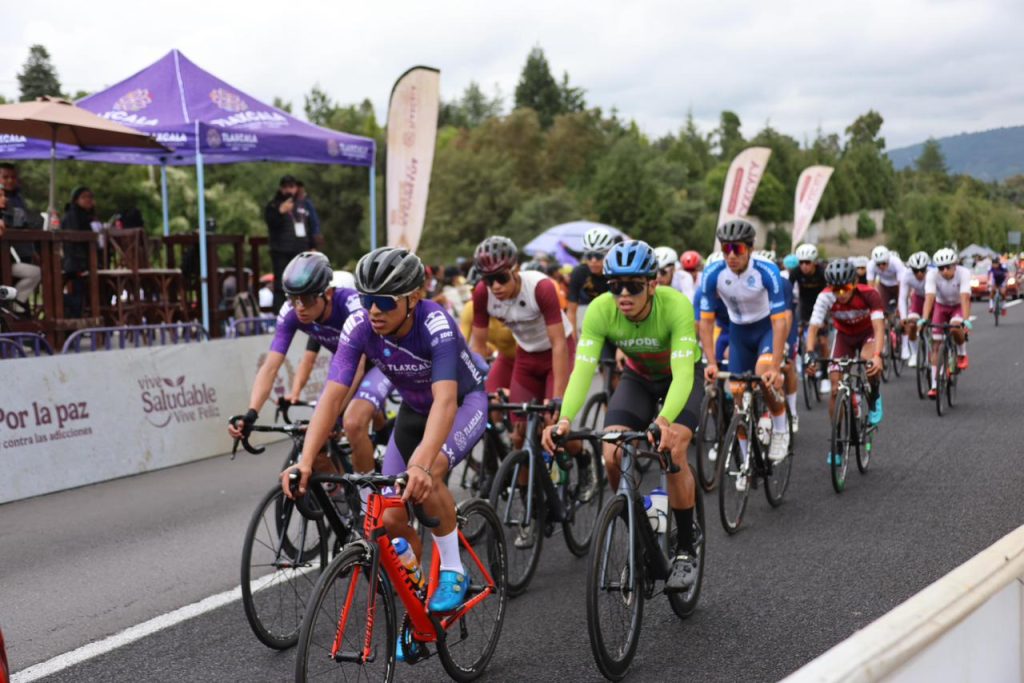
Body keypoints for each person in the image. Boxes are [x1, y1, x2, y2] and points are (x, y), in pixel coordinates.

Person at [282, 247, 489, 615]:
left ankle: (454, 568)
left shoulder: (436, 324)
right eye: (367, 300)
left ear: (414, 297)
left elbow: (445, 401)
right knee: (390, 516)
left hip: (461, 404)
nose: (374, 310)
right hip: (414, 409)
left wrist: (421, 464)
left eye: (385, 301)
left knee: (430, 473)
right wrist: (306, 460)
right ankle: (417, 592)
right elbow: (332, 396)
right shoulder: (360, 325)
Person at [542, 240, 702, 591]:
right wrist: (564, 419)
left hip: (680, 378)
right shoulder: (601, 310)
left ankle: (686, 547)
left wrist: (663, 421)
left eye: (633, 285)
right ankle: (640, 528)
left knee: (673, 449)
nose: (624, 294)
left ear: (653, 284)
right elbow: (582, 371)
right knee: (611, 453)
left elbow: (683, 374)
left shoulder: (675, 305)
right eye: (615, 286)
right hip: (638, 378)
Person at [229, 253, 392, 486]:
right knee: (311, 441)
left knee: (353, 423)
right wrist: (251, 413)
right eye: (292, 299)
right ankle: (339, 496)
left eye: (305, 299)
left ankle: (368, 498)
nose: (299, 307)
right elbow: (270, 367)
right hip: (345, 365)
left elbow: (358, 368)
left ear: (328, 293)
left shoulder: (351, 305)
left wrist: (334, 417)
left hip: (380, 364)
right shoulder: (291, 313)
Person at [699, 220, 791, 471]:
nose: (731, 255)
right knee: (738, 395)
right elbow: (705, 323)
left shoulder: (766, 270)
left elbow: (780, 322)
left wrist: (776, 366)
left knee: (764, 375)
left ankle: (780, 428)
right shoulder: (713, 273)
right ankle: (745, 460)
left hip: (765, 329)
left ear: (750, 249)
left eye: (737, 249)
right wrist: (711, 362)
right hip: (738, 332)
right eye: (725, 249)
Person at [470, 237, 575, 454]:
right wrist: (475, 388)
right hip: (526, 355)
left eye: (501, 278)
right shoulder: (482, 293)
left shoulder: (540, 287)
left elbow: (558, 343)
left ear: (516, 269)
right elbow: (478, 345)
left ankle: (581, 458)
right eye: (488, 280)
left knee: (552, 423)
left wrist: (557, 397)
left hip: (556, 352)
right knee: (519, 434)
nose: (495, 286)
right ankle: (525, 476)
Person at [805, 260, 884, 463]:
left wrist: (877, 355)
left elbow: (878, 327)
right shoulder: (825, 296)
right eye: (836, 289)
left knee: (867, 361)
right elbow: (813, 327)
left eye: (845, 288)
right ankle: (837, 442)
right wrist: (809, 354)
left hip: (867, 334)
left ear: (855, 283)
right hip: (844, 337)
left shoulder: (870, 294)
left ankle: (874, 396)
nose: (840, 294)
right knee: (835, 388)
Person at [920, 248, 972, 396]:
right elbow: (929, 297)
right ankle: (934, 385)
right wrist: (924, 318)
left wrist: (966, 320)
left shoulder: (964, 273)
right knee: (936, 345)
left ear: (954, 265)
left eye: (947, 267)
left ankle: (962, 353)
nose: (944, 271)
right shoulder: (932, 275)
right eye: (941, 268)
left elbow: (965, 297)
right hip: (941, 306)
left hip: (958, 305)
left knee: (955, 327)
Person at [264, 175, 316, 311]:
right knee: (281, 283)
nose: (289, 190)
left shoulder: (304, 204)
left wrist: (313, 246)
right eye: (285, 187)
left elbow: (310, 227)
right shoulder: (274, 205)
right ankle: (280, 312)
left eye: (291, 187)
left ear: (296, 188)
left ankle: (303, 310)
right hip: (281, 251)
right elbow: (271, 223)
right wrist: (280, 212)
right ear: (281, 188)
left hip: (301, 251)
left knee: (302, 282)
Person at [790, 243, 831, 393]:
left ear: (814, 262)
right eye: (801, 262)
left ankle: (825, 375)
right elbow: (788, 292)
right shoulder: (796, 272)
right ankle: (809, 362)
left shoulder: (822, 272)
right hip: (804, 308)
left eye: (807, 262)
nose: (804, 266)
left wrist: (825, 319)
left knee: (823, 342)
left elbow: (829, 294)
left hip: (821, 307)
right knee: (800, 338)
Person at [0, 186, 42, 316]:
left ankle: (16, 302)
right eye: (0, 195)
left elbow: (35, 222)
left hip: (6, 264)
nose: (5, 198)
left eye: (4, 195)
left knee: (35, 272)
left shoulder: (9, 213)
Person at [567, 227, 615, 336]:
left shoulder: (615, 273)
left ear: (608, 254)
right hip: (590, 319)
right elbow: (571, 311)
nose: (593, 261)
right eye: (589, 256)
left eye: (598, 256)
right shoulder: (579, 272)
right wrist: (573, 341)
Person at [60, 187, 98, 318]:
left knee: (83, 294)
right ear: (76, 200)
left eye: (90, 197)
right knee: (78, 295)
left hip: (84, 262)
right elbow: (73, 242)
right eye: (84, 197)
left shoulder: (87, 216)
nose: (88, 200)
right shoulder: (73, 215)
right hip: (76, 262)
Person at [898, 251, 931, 367]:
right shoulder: (906, 276)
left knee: (936, 327)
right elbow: (902, 298)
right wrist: (903, 317)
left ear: (927, 268)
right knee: (911, 324)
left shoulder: (932, 274)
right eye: (916, 271)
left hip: (933, 299)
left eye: (922, 270)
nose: (919, 273)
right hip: (918, 299)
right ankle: (914, 353)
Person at [294, 181, 324, 250]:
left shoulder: (307, 202)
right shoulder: (292, 203)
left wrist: (316, 234)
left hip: (307, 239)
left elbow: (314, 221)